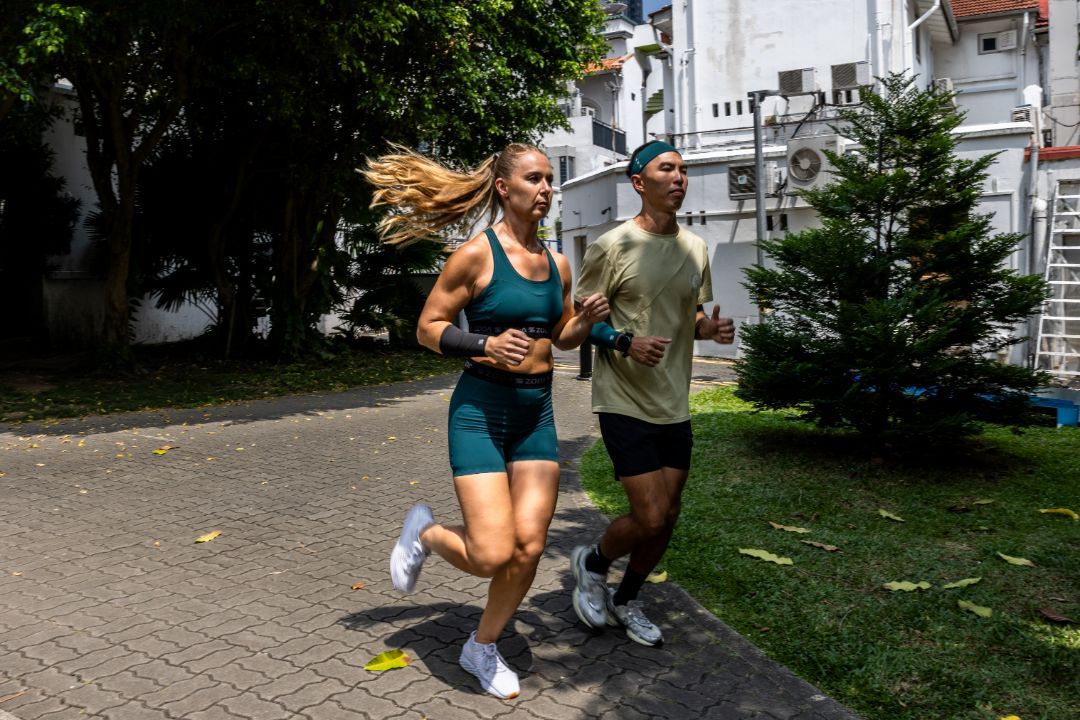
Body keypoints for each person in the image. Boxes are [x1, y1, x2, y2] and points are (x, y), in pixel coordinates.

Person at [362, 143, 609, 699]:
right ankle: (426, 532)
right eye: (534, 179)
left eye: (550, 179)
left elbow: (562, 338)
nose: (546, 189)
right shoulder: (475, 255)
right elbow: (428, 328)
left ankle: (482, 645)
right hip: (481, 410)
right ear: (504, 187)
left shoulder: (557, 264)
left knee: (527, 547)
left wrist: (586, 322)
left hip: (536, 414)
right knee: (493, 552)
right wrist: (483, 344)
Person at [569, 140, 735, 647]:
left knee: (670, 513)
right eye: (667, 169)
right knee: (649, 514)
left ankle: (627, 598)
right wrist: (624, 340)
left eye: (683, 170)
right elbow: (578, 324)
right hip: (623, 399)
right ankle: (593, 563)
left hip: (673, 402)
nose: (679, 177)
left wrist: (710, 330)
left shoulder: (695, 248)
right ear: (640, 182)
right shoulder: (611, 247)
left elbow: (692, 315)